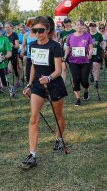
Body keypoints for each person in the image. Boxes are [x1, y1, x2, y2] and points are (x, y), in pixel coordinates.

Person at [21, 16, 68, 170]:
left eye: (41, 30)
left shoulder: (54, 46)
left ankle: (59, 138)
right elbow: (34, 65)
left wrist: (48, 78)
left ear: (47, 30)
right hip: (37, 85)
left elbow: (58, 70)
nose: (38, 33)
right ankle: (32, 154)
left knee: (58, 115)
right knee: (33, 117)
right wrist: (29, 83)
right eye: (35, 30)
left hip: (53, 83)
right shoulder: (33, 45)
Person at [64, 19, 93, 106]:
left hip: (85, 61)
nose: (79, 26)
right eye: (77, 25)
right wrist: (65, 57)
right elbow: (68, 48)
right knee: (76, 80)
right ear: (74, 26)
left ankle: (86, 90)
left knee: (84, 81)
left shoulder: (87, 36)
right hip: (73, 61)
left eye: (81, 25)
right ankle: (78, 99)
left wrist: (90, 54)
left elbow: (91, 48)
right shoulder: (70, 36)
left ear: (83, 26)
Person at [89, 22, 105, 88]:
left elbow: (102, 43)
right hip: (89, 53)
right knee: (90, 67)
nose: (92, 28)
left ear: (96, 27)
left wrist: (104, 48)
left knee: (95, 65)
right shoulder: (87, 35)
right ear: (89, 27)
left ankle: (96, 81)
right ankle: (91, 74)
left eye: (93, 26)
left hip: (97, 53)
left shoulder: (99, 35)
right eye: (91, 26)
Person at [59, 18, 75, 82]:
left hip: (72, 52)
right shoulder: (62, 32)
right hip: (64, 51)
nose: (66, 24)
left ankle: (74, 81)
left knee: (72, 68)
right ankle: (63, 83)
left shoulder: (74, 31)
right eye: (65, 23)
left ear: (70, 23)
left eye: (68, 22)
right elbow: (61, 42)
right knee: (64, 68)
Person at [4, 22, 20, 88]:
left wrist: (13, 45)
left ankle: (17, 81)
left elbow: (17, 46)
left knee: (15, 69)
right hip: (6, 55)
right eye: (5, 27)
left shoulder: (14, 35)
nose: (7, 29)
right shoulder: (4, 36)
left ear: (11, 27)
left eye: (8, 27)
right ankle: (3, 83)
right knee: (5, 69)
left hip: (14, 54)